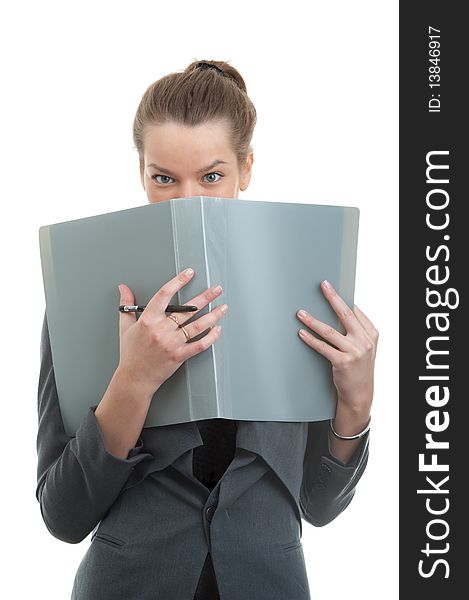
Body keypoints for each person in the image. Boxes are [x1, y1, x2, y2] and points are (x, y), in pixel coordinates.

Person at [36, 60, 379, 600]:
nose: (188, 200)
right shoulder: (91, 288)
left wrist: (356, 406)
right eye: (164, 178)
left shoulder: (306, 287)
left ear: (247, 167)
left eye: (212, 176)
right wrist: (133, 381)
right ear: (142, 172)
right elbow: (62, 516)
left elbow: (319, 506)